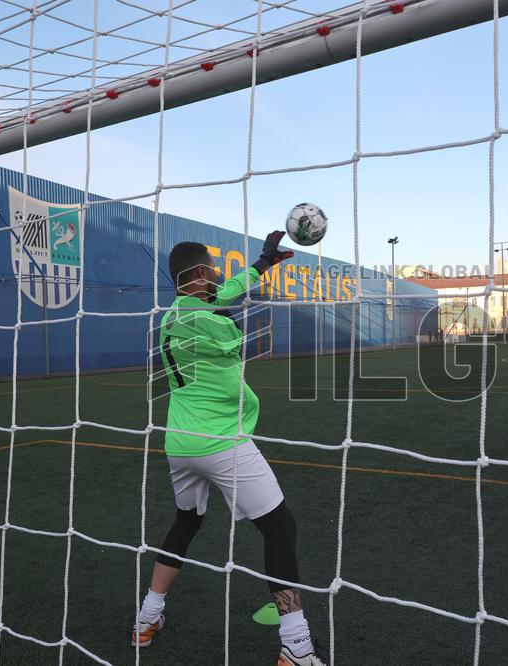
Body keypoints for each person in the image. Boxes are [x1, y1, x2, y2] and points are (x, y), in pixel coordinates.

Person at [131, 232, 326, 666]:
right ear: (200, 273)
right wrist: (235, 308)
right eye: (212, 271)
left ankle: (147, 617)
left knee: (186, 523)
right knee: (280, 529)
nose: (219, 277)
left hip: (180, 441)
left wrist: (262, 264)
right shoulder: (209, 319)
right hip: (221, 441)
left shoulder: (171, 315)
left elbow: (225, 291)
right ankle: (296, 645)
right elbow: (235, 333)